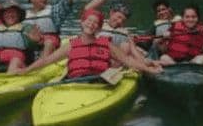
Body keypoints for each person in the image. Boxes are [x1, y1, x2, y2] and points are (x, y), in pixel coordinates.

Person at [18, 9, 162, 79]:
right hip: (74, 84)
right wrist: (26, 71)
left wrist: (148, 69)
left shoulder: (107, 45)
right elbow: (46, 61)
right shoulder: (71, 45)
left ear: (99, 28)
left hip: (98, 83)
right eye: (89, 21)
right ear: (82, 23)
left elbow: (128, 60)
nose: (91, 25)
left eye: (95, 23)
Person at [83, 0, 147, 64]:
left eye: (123, 20)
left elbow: (134, 50)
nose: (119, 21)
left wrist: (134, 43)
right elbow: (87, 9)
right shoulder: (97, 24)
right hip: (96, 56)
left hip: (116, 61)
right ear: (111, 13)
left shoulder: (126, 33)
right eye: (118, 17)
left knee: (128, 46)